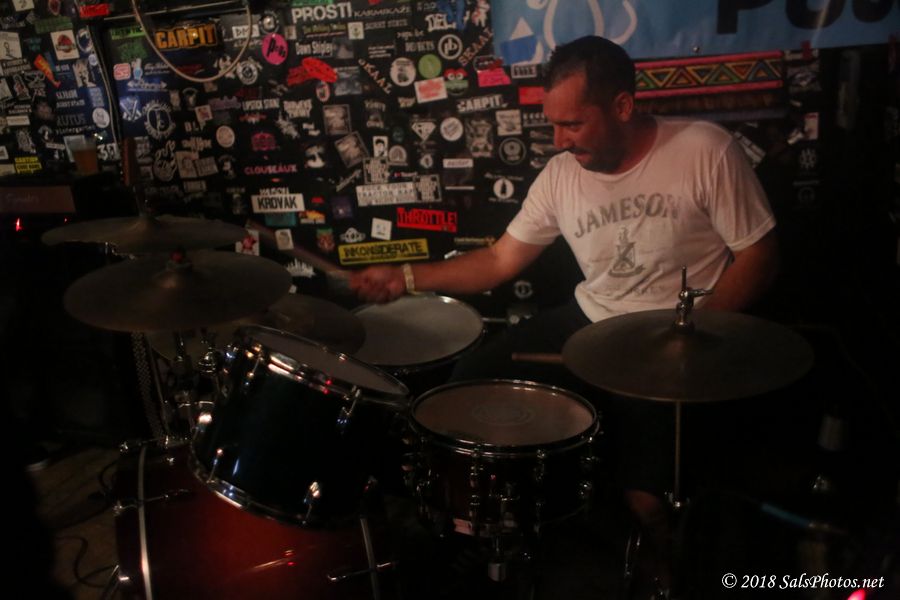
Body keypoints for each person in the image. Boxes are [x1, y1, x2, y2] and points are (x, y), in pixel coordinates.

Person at [351, 36, 778, 597]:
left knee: (647, 497)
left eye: (572, 124)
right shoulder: (561, 174)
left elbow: (759, 254)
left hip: (671, 333)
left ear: (621, 106)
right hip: (589, 318)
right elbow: (499, 260)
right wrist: (405, 277)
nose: (558, 140)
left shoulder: (704, 150)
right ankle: (495, 531)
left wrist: (697, 333)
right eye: (553, 125)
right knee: (468, 386)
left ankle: (661, 561)